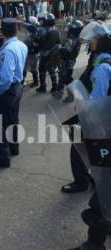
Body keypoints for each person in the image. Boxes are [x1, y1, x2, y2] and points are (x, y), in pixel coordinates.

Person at [69, 33, 111, 250]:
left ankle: (95, 245)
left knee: (102, 198)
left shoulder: (103, 67)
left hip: (104, 130)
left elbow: (98, 101)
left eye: (94, 41)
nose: (90, 43)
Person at [0, 18, 28, 168]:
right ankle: (13, 147)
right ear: (16, 30)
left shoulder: (8, 49)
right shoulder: (21, 45)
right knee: (12, 119)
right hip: (18, 87)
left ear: (2, 32)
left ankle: (3, 158)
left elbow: (6, 78)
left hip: (8, 89)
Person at [54, 20, 83, 99]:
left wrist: (60, 48)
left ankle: (71, 96)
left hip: (67, 61)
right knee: (62, 76)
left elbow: (65, 51)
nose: (68, 29)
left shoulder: (72, 39)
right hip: (70, 60)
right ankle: (59, 92)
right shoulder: (77, 39)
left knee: (67, 78)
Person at [36, 13, 61, 94]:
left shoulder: (42, 30)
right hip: (54, 53)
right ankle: (55, 86)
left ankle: (43, 87)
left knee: (42, 69)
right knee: (52, 70)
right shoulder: (56, 29)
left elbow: (36, 40)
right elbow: (59, 41)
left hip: (44, 53)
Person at [23, 16, 40, 88]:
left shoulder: (34, 30)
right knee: (33, 68)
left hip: (32, 53)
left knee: (25, 68)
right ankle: (36, 82)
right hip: (33, 53)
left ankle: (22, 82)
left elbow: (28, 26)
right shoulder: (36, 29)